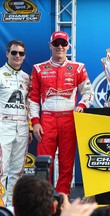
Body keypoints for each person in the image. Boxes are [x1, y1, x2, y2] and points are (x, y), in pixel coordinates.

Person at [28, 31, 94, 195]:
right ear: (50, 45)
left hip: (69, 119)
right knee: (43, 161)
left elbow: (88, 92)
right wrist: (35, 122)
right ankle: (44, 197)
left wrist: (82, 104)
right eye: (56, 44)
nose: (60, 47)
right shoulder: (38, 68)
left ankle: (63, 198)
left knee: (66, 162)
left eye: (63, 44)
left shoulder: (78, 68)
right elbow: (33, 97)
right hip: (47, 120)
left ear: (68, 46)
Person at [0, 40, 33, 207]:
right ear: (7, 54)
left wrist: (30, 129)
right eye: (14, 53)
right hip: (3, 127)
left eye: (21, 53)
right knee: (1, 170)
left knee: (17, 171)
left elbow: (28, 105)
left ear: (24, 56)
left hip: (21, 128)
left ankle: (12, 207)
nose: (17, 56)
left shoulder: (26, 77)